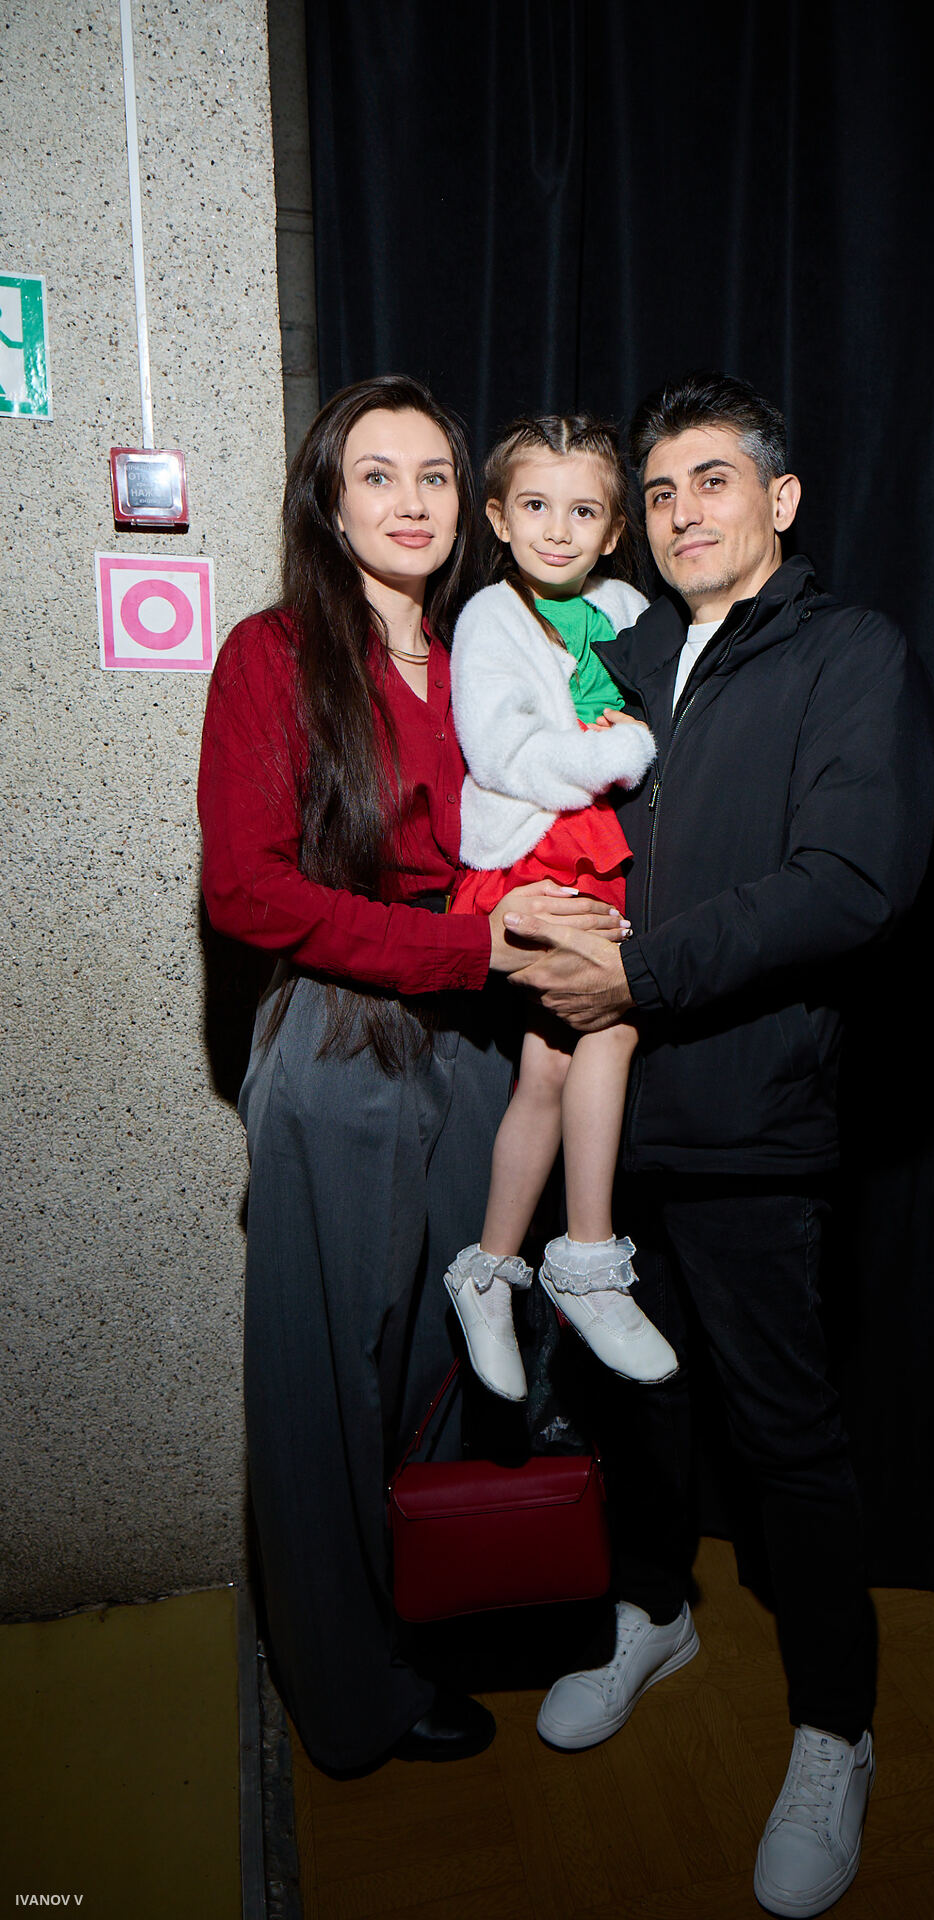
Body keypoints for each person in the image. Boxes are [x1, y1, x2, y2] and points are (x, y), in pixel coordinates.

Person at [510, 372, 934, 1918]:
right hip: (603, 1122)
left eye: (713, 480)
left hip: (754, 1118)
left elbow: (854, 881)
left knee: (784, 1435)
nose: (683, 511)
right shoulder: (611, 650)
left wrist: (638, 971)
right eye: (661, 490)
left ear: (781, 498)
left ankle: (834, 1728)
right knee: (632, 1408)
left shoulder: (850, 654)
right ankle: (654, 1611)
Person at [196, 374, 624, 1775]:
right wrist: (465, 940)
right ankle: (350, 1693)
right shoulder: (273, 655)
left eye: (434, 474)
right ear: (327, 501)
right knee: (332, 1380)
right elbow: (247, 892)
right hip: (342, 1043)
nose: (410, 500)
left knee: (459, 1354)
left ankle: (441, 1614)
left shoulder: (487, 650)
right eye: (375, 475)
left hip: (484, 1042)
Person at [441, 414, 677, 1399]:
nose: (556, 529)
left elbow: (669, 713)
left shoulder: (628, 606)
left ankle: (491, 1272)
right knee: (609, 1029)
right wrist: (619, 748)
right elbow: (504, 753)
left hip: (599, 853)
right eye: (535, 506)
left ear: (615, 530)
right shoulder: (489, 618)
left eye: (583, 512)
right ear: (498, 517)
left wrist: (641, 735)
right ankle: (585, 1262)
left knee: (548, 1065)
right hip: (529, 858)